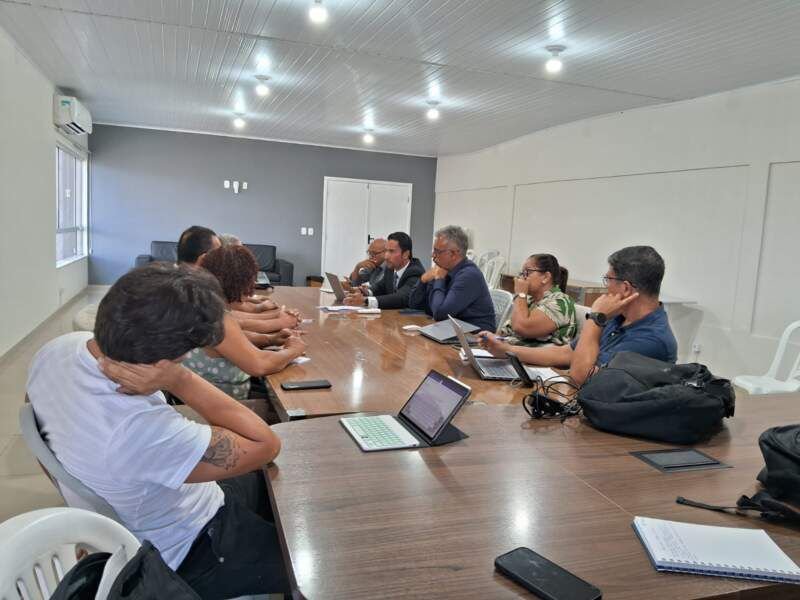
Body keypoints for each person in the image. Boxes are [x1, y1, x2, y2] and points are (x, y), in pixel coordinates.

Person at [26, 263, 290, 597]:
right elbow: (266, 444)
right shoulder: (141, 430)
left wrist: (85, 505)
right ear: (169, 359)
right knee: (307, 558)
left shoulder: (58, 350)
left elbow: (34, 418)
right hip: (191, 547)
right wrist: (180, 379)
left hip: (167, 501)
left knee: (275, 489)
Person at [480, 245, 678, 385]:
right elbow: (566, 353)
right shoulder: (620, 317)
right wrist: (507, 351)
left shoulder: (652, 339)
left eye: (608, 279)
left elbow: (581, 377)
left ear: (625, 288)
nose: (606, 287)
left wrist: (595, 319)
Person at [191, 245, 306, 400]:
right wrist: (294, 350)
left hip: (212, 396)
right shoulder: (216, 318)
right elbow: (260, 364)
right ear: (237, 282)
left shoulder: (203, 305)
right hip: (224, 403)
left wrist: (271, 339)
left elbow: (234, 339)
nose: (252, 289)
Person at [408, 225, 495, 332]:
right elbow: (414, 305)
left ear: (453, 254)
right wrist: (423, 280)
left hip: (475, 336)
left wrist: (439, 279)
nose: (433, 255)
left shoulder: (469, 275)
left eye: (437, 251)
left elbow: (440, 314)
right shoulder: (443, 269)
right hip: (450, 329)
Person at [498, 254, 577, 346]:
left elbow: (521, 327)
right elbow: (503, 332)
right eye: (522, 273)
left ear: (546, 277)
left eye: (527, 272)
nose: (521, 278)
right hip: (509, 352)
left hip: (532, 355)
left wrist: (520, 294)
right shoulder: (529, 301)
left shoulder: (560, 303)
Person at [343, 231, 425, 309]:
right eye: (386, 251)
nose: (386, 256)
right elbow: (380, 287)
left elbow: (401, 298)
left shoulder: (415, 272)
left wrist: (365, 301)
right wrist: (363, 291)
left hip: (412, 317)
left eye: (391, 251)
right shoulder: (391, 269)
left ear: (406, 254)